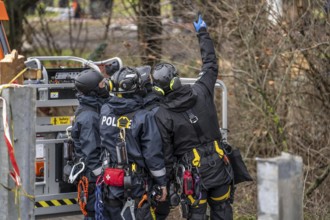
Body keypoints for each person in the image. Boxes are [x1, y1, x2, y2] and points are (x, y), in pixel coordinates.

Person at [152, 14, 234, 220]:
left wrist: (167, 183)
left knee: (196, 213)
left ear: (159, 90)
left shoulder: (162, 114)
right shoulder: (202, 90)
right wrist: (202, 34)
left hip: (192, 174)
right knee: (223, 210)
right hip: (219, 165)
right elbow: (210, 64)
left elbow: (167, 154)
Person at [99, 66, 167, 220]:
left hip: (110, 179)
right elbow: (152, 154)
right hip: (135, 183)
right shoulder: (144, 117)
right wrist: (162, 183)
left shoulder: (105, 111)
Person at [71, 68, 110, 219]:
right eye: (101, 84)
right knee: (96, 213)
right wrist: (103, 179)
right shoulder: (90, 117)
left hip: (94, 177)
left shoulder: (93, 107)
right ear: (93, 90)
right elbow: (92, 153)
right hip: (94, 179)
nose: (105, 85)